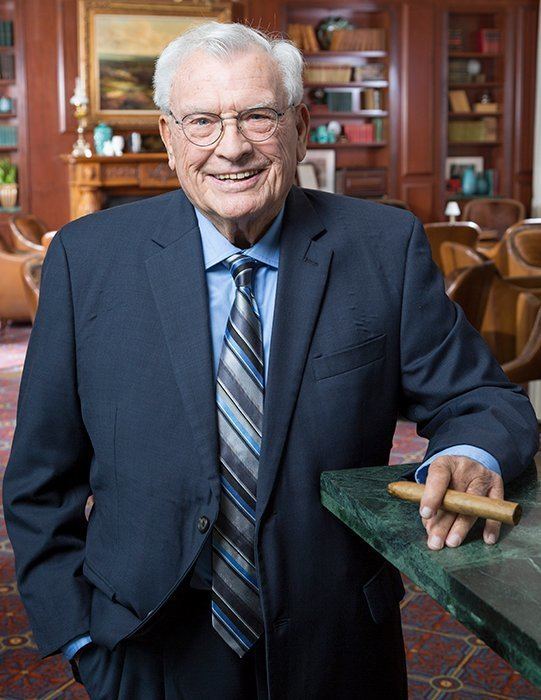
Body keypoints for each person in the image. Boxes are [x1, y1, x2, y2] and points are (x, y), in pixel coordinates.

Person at [3, 22, 537, 700]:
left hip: (336, 645)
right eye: (201, 121)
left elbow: (484, 401)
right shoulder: (89, 258)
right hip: (142, 644)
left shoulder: (382, 247)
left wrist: (472, 452)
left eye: (257, 116)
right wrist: (78, 637)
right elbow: (39, 479)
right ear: (169, 137)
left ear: (300, 126)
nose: (231, 147)